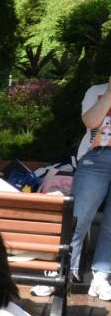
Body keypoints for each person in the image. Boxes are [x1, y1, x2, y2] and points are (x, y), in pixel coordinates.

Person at [36, 76, 111, 300]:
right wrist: (109, 93)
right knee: (77, 218)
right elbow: (91, 122)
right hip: (97, 158)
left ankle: (101, 277)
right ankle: (61, 272)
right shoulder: (96, 90)